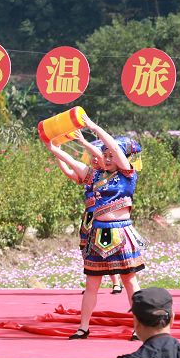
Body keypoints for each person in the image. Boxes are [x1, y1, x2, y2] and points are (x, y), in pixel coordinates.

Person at [46, 115, 146, 339]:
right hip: (97, 233)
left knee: (130, 281)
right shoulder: (95, 175)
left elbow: (111, 146)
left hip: (120, 232)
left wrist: (92, 127)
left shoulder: (127, 174)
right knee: (92, 283)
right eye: (105, 155)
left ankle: (138, 327)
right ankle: (83, 327)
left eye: (112, 155)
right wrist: (53, 148)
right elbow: (74, 165)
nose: (108, 158)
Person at [46, 134, 122, 294]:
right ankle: (92, 283)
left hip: (104, 217)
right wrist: (57, 152)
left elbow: (102, 158)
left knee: (108, 249)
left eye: (97, 156)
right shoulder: (89, 176)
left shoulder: (108, 174)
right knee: (87, 250)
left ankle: (116, 282)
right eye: (91, 157)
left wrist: (83, 141)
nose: (95, 159)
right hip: (89, 219)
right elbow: (68, 170)